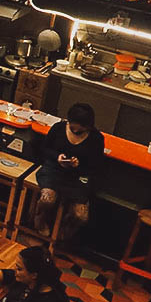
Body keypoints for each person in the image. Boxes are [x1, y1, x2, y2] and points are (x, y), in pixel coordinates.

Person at [34, 102, 104, 240]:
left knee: (81, 216)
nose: (77, 131)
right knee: (47, 199)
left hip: (78, 177)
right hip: (54, 170)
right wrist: (57, 157)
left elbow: (96, 165)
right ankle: (39, 220)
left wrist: (79, 164)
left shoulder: (96, 138)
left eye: (81, 128)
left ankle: (62, 235)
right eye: (73, 127)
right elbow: (44, 149)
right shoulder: (58, 128)